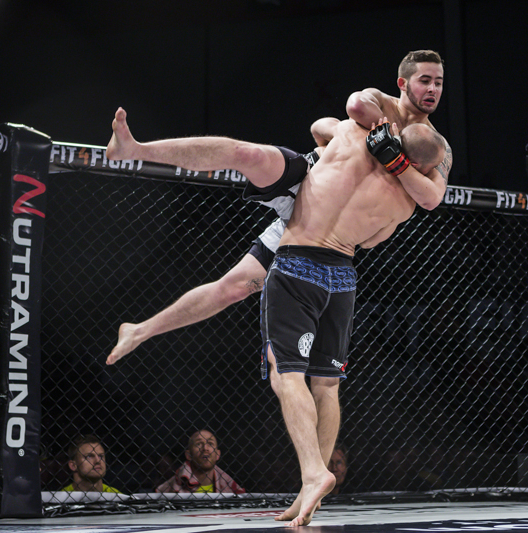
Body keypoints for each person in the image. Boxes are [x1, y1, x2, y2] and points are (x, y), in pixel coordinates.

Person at [105, 49, 452, 369]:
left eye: (438, 82)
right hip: (310, 180)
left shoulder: (437, 147)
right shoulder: (381, 102)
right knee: (248, 154)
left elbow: (432, 197)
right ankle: (135, 150)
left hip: (319, 229)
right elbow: (353, 108)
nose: (433, 89)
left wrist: (392, 153)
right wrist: (381, 135)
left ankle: (139, 330)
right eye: (425, 80)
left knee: (234, 287)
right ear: (403, 83)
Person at [263, 116, 445, 526]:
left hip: (299, 263)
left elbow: (318, 126)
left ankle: (314, 473)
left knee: (286, 372)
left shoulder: (351, 136)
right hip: (342, 276)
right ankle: (310, 492)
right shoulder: (406, 201)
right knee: (327, 384)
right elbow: (371, 240)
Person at [156, 429, 244, 494]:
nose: (205, 448)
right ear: (188, 455)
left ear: (218, 454)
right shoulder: (170, 488)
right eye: (198, 444)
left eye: (210, 444)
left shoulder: (228, 486)